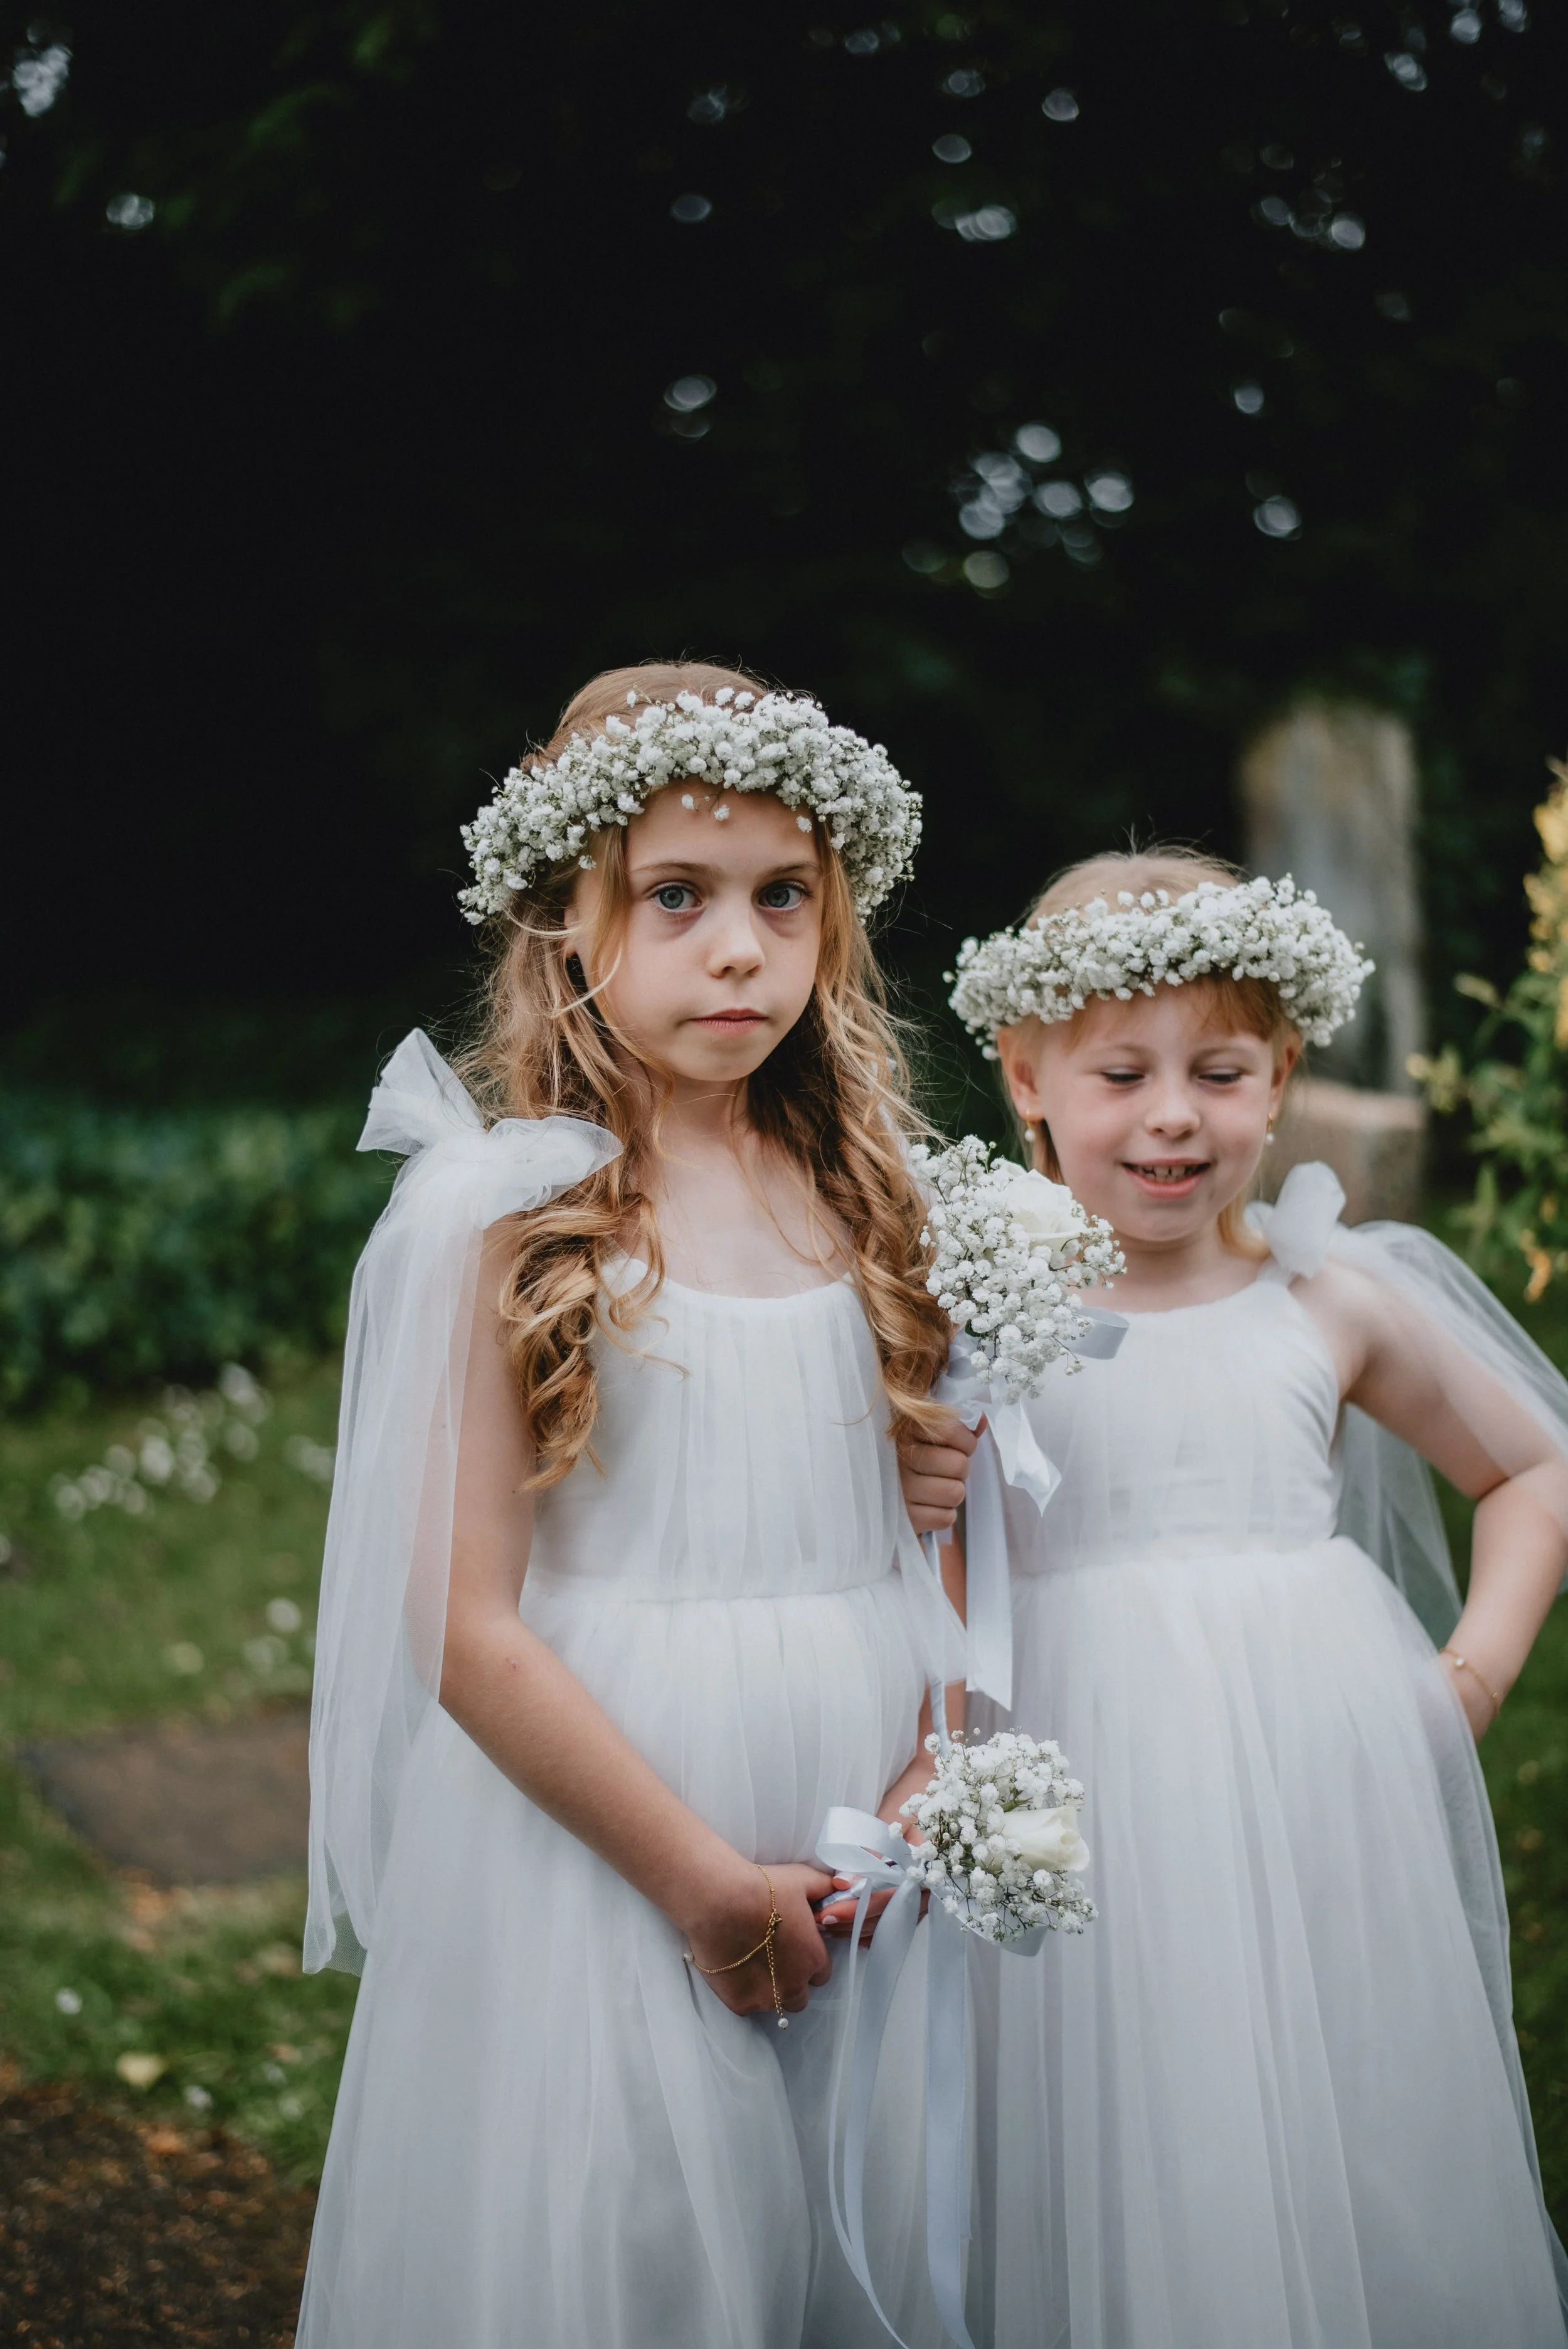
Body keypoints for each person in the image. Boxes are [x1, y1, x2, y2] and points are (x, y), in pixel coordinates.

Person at [295, 664, 964, 2349]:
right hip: (615, 1829)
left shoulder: (868, 1191)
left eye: (779, 898)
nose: (739, 947)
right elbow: (460, 1626)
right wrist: (688, 1879)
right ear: (566, 927)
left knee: (846, 2232)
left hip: (854, 1825)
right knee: (641, 2245)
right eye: (676, 897)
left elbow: (926, 1528)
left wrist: (928, 1767)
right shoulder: (509, 1213)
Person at [903, 847, 1568, 2348]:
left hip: (1308, 1770)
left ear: (1277, 1081)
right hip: (1072, 1767)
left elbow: (1533, 1474)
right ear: (1023, 1077)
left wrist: (1464, 1678)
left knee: (1331, 2092)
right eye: (1119, 1073)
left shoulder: (1325, 1298)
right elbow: (910, 1542)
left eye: (1217, 1072)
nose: (1169, 1117)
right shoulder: (966, 1309)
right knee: (1108, 2105)